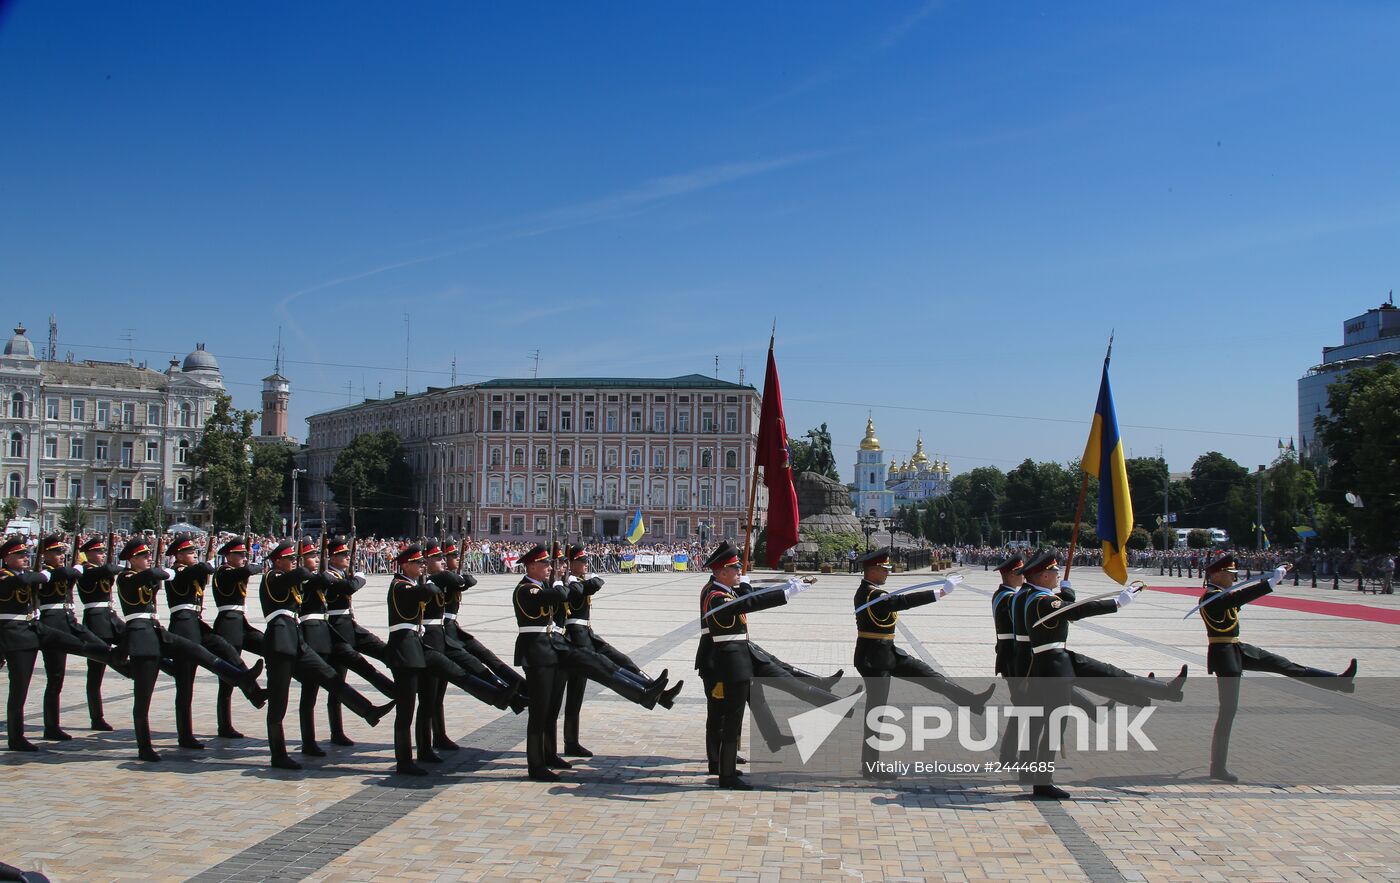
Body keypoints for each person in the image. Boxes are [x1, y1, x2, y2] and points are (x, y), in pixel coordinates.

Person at [1021, 549, 1187, 800]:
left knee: (1110, 674)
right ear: (1043, 576)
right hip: (1052, 665)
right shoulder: (1043, 601)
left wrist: (1068, 589)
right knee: (1055, 724)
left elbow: (1067, 606)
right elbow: (1074, 611)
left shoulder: (1037, 598)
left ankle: (1164, 690)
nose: (1057, 575)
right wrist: (1116, 603)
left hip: (1059, 659)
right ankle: (1042, 783)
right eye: (1055, 571)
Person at [513, 544, 668, 781]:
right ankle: (536, 765)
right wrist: (560, 583)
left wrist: (561, 583)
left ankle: (642, 692)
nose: (549, 568)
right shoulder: (525, 589)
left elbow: (561, 600)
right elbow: (558, 596)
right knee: (540, 711)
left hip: (554, 646)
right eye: (545, 564)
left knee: (592, 667)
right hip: (537, 654)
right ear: (532, 566)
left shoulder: (542, 586)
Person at [1198, 553, 1357, 782]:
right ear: (1217, 574)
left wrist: (1274, 575)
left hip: (1239, 649)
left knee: (1285, 665)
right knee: (1227, 712)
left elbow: (1236, 599)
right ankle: (1217, 767)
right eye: (1230, 575)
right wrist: (1269, 583)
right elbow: (1235, 599)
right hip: (1224, 656)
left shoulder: (1222, 595)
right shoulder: (1210, 597)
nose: (1234, 579)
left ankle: (1338, 682)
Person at [698, 541, 838, 789]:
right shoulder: (716, 597)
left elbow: (746, 596)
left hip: (739, 658)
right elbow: (747, 603)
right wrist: (786, 593)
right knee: (729, 720)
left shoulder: (724, 591)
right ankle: (725, 773)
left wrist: (770, 585)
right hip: (728, 663)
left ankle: (825, 699)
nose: (739, 571)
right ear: (721, 573)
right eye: (734, 568)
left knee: (744, 708)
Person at [115, 536, 264, 762]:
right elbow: (191, 571)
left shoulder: (179, 571)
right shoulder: (137, 575)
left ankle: (244, 678)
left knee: (217, 649)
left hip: (186, 624)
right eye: (143, 555)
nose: (195, 553)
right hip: (179, 625)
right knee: (183, 685)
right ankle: (179, 735)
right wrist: (169, 568)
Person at [853, 548, 994, 779]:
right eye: (884, 569)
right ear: (873, 570)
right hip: (873, 659)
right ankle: (871, 765)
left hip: (887, 652)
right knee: (876, 710)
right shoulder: (870, 595)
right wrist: (940, 592)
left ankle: (971, 701)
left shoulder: (874, 592)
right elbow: (903, 601)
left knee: (928, 675)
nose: (887, 573)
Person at [260, 539, 391, 770]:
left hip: (298, 640)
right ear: (278, 560)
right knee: (279, 702)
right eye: (290, 559)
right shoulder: (273, 577)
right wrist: (315, 567)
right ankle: (278, 754)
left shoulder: (296, 577)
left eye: (294, 558)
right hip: (279, 643)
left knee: (330, 676)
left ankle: (367, 710)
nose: (293, 562)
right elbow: (306, 575)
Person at [557, 543, 683, 758]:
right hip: (575, 637)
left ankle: (658, 691)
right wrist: (569, 578)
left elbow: (594, 584)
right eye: (582, 561)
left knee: (622, 660)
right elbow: (584, 590)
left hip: (588, 634)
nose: (586, 564)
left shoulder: (576, 581)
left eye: (586, 561)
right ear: (571, 564)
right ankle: (571, 741)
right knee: (576, 693)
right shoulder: (568, 584)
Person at [35, 534, 117, 741]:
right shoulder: (42, 572)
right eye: (56, 552)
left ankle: (128, 671)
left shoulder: (70, 570)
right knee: (56, 678)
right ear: (44, 554)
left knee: (102, 650)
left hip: (70, 620)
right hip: (52, 623)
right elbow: (64, 574)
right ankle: (51, 726)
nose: (61, 555)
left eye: (62, 552)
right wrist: (79, 566)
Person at [211, 537, 265, 738]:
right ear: (228, 556)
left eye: (245, 554)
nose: (243, 558)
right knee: (227, 681)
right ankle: (224, 725)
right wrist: (250, 566)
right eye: (240, 555)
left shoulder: (236, 572)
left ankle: (258, 691)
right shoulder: (223, 573)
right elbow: (246, 571)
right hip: (227, 624)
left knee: (268, 645)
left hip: (240, 622)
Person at [75, 534, 125, 731]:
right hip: (96, 621)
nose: (102, 554)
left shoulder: (97, 569)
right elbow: (109, 569)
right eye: (98, 551)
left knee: (136, 636)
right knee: (95, 674)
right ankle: (97, 717)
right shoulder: (85, 571)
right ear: (87, 554)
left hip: (111, 618)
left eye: (103, 551)